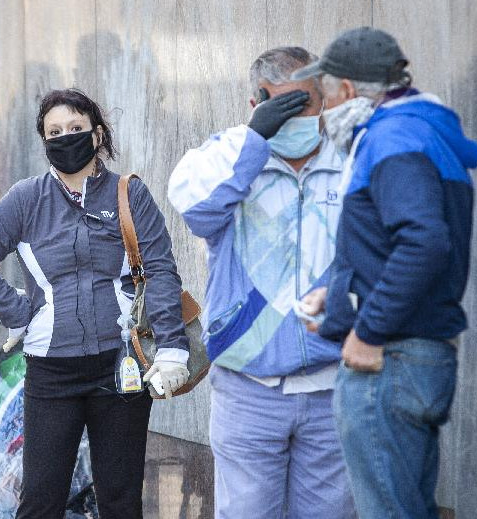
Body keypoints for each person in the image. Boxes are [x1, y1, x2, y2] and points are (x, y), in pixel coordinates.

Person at [0, 88, 189, 519]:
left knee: (120, 499)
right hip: (51, 370)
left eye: (75, 128)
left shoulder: (128, 194)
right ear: (43, 141)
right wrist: (20, 313)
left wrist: (173, 347)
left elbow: (160, 270)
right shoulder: (27, 199)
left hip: (121, 366)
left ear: (97, 134)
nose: (65, 137)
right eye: (54, 132)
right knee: (41, 500)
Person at [167, 47, 356, 518]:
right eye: (281, 105)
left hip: (332, 384)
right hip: (249, 386)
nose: (296, 117)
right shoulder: (228, 156)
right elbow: (196, 208)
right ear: (257, 105)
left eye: (306, 103)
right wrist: (254, 139)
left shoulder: (350, 159)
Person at [296, 27, 477, 519]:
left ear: (349, 91)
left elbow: (422, 241)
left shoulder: (394, 137)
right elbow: (386, 239)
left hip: (389, 360)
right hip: (411, 357)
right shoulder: (421, 131)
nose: (324, 107)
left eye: (325, 94)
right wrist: (330, 291)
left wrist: (368, 332)